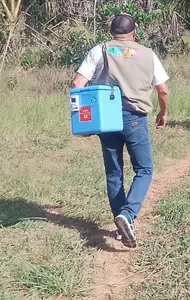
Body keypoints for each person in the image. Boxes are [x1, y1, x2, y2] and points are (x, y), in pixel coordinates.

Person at [72, 14, 170, 249]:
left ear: (111, 32)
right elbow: (163, 90)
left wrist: (84, 120)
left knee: (114, 173)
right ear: (134, 32)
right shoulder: (148, 54)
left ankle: (120, 227)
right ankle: (128, 214)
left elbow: (77, 84)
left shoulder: (100, 50)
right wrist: (163, 113)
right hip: (135, 118)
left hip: (107, 119)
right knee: (144, 169)